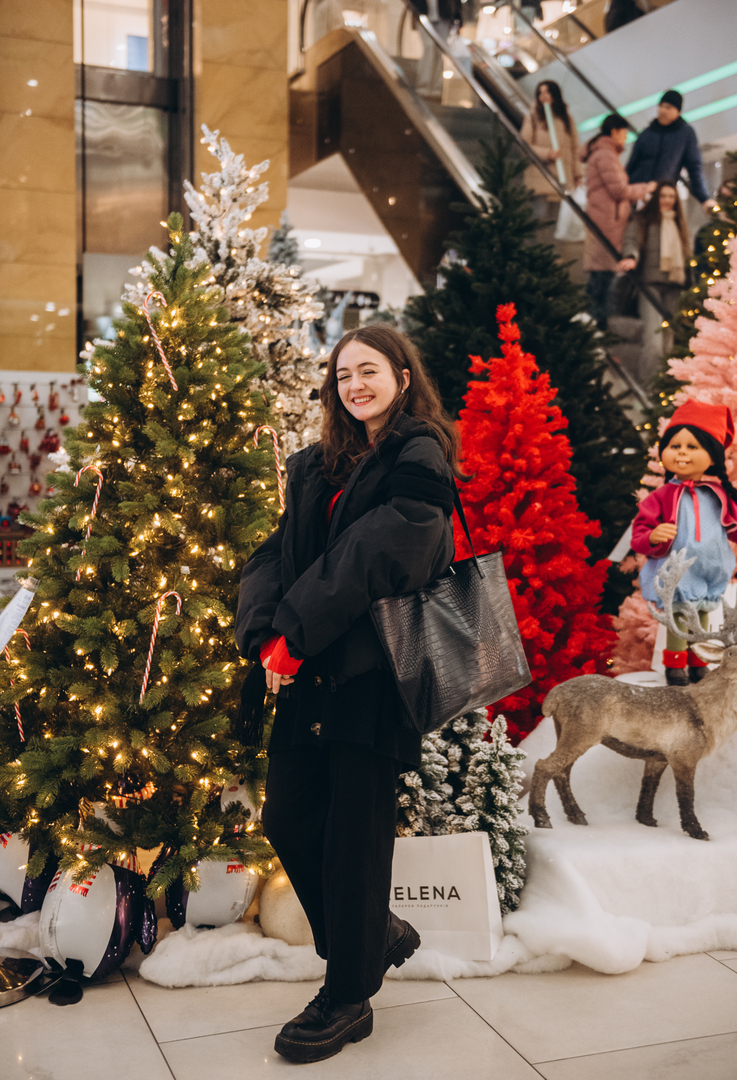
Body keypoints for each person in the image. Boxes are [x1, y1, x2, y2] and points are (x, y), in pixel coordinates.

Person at [235, 326, 461, 1064]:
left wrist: (295, 631)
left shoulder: (418, 454)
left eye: (369, 370)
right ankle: (375, 936)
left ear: (402, 376)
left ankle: (347, 995)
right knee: (287, 817)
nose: (354, 385)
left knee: (354, 842)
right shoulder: (317, 463)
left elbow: (382, 552)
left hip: (372, 675)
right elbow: (277, 553)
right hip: (308, 671)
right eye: (342, 375)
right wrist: (265, 630)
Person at [631, 401, 737, 686]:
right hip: (678, 574)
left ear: (712, 457)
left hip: (710, 570)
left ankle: (698, 662)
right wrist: (652, 536)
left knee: (702, 617)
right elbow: (639, 534)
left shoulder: (719, 495)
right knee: (678, 618)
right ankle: (675, 667)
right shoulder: (661, 496)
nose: (681, 453)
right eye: (675, 445)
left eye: (692, 447)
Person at [582, 113, 655, 327]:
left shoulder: (604, 153)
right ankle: (597, 328)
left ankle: (597, 327)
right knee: (602, 283)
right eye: (624, 133)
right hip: (607, 224)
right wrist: (646, 189)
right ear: (614, 132)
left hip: (606, 221)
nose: (625, 138)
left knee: (601, 281)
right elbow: (619, 190)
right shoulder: (605, 155)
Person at [617, 179, 691, 383]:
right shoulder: (644, 219)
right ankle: (649, 387)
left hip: (675, 286)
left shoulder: (679, 223)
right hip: (650, 285)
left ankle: (664, 387)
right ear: (656, 198)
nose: (667, 200)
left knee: (668, 341)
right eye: (663, 196)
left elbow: (687, 255)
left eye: (671, 196)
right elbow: (632, 240)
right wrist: (631, 256)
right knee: (653, 340)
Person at [626, 90, 713, 209]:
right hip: (636, 193)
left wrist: (704, 199)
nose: (663, 110)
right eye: (661, 106)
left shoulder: (686, 134)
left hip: (662, 195)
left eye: (668, 107)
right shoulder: (646, 133)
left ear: (678, 111)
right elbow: (631, 164)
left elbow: (694, 168)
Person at [520, 80, 582, 209]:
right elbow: (524, 145)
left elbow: (575, 148)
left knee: (554, 217)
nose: (543, 96)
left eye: (547, 92)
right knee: (539, 215)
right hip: (540, 178)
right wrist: (547, 153)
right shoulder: (532, 117)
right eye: (540, 93)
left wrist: (577, 173)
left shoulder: (566, 118)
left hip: (562, 180)